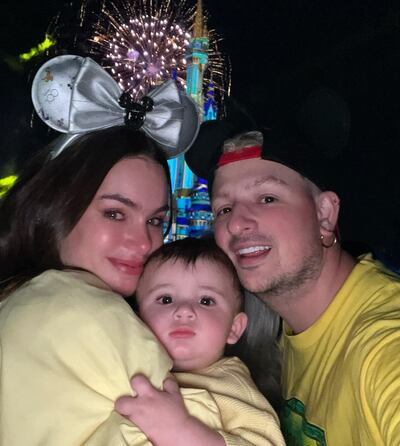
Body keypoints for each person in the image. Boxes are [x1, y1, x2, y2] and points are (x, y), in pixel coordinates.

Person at [0, 55, 201, 445]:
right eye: (114, 213)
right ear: (55, 204)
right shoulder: (86, 314)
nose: (143, 242)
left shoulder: (19, 299)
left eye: (155, 221)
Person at [182, 106, 400, 445]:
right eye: (224, 209)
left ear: (324, 214)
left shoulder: (384, 346)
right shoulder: (285, 336)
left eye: (267, 198)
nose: (235, 223)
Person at [116, 237, 285, 446]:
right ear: (137, 319)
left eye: (206, 301)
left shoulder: (234, 390)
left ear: (233, 328)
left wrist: (180, 431)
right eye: (166, 299)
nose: (184, 310)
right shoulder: (127, 364)